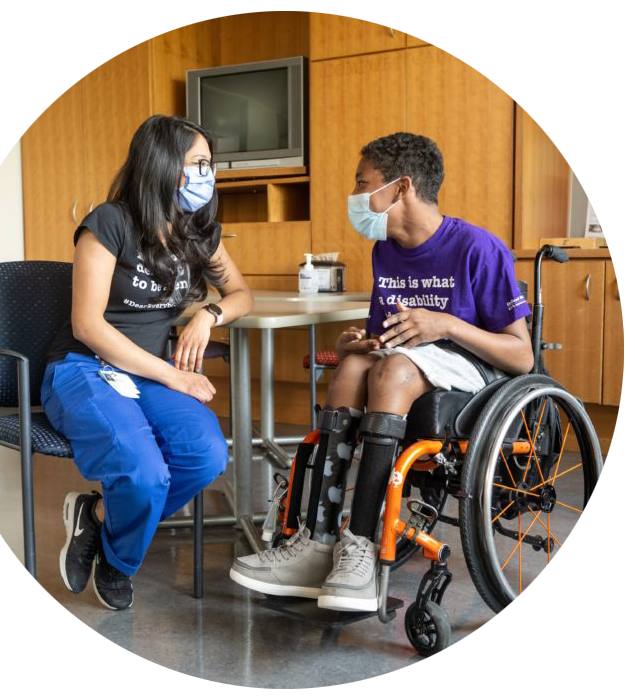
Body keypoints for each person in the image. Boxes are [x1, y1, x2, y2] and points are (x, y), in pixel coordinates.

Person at [230, 132, 533, 612]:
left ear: (401, 187)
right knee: (353, 367)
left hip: (477, 372)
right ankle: (319, 542)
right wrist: (357, 343)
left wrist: (447, 324)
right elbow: (384, 338)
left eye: (362, 182)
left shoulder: (478, 247)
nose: (354, 195)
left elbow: (522, 355)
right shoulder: (385, 250)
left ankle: (361, 548)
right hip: (407, 363)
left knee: (391, 371)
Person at [43, 115, 253, 610]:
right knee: (142, 472)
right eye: (198, 164)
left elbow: (243, 293)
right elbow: (88, 326)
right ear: (161, 166)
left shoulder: (198, 232)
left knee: (205, 456)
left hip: (149, 371)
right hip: (85, 367)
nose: (208, 175)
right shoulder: (109, 223)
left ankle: (97, 519)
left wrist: (208, 314)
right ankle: (119, 561)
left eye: (209, 164)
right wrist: (173, 375)